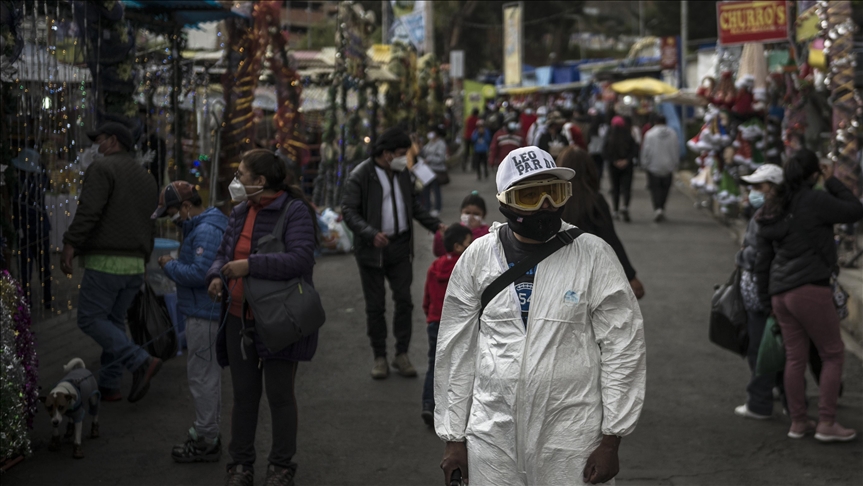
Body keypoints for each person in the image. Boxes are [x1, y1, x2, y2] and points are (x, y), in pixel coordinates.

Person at [435, 146, 646, 486]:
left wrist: (611, 438)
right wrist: (454, 437)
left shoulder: (594, 255)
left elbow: (624, 347)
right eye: (531, 196)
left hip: (573, 438)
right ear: (505, 200)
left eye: (555, 193)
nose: (546, 206)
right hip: (491, 436)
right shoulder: (478, 258)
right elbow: (455, 351)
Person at [205, 149, 319, 485]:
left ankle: (281, 466)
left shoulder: (295, 211)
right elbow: (222, 255)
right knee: (243, 396)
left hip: (279, 321)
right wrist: (215, 277)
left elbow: (300, 259)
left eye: (241, 175)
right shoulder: (240, 212)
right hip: (239, 318)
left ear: (261, 181)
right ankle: (240, 465)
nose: (236, 181)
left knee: (280, 396)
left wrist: (250, 265)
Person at [755, 149, 863, 442]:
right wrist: (833, 181)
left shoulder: (777, 204)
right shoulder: (815, 200)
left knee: (795, 357)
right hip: (809, 288)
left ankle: (799, 422)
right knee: (832, 353)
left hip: (780, 291)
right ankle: (827, 422)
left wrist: (767, 301)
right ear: (815, 173)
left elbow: (763, 256)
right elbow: (855, 209)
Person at [61, 122, 160, 404]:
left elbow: (89, 212)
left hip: (106, 262)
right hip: (134, 266)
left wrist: (70, 243)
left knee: (90, 318)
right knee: (114, 323)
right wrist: (144, 261)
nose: (97, 146)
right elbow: (150, 224)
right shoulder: (147, 178)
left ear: (114, 141)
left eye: (101, 140)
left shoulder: (102, 169)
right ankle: (110, 384)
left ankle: (140, 361)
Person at [341, 127, 445, 379]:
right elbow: (348, 211)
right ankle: (379, 357)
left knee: (404, 301)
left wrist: (437, 225)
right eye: (400, 153)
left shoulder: (401, 174)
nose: (403, 158)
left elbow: (414, 207)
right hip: (371, 250)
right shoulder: (360, 175)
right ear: (386, 153)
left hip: (400, 247)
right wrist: (369, 233)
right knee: (375, 307)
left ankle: (401, 354)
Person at [151, 181, 229, 463]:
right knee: (206, 375)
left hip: (204, 314)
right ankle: (208, 431)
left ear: (185, 207)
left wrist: (168, 265)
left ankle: (206, 438)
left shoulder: (206, 230)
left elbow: (200, 273)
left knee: (202, 376)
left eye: (171, 213)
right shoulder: (204, 226)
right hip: (204, 311)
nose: (171, 220)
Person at [558, 147, 645, 299]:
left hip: (557, 268)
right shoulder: (595, 200)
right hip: (589, 271)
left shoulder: (554, 200)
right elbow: (610, 240)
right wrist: (630, 276)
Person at [734, 164, 784, 421]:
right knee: (778, 345)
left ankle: (760, 401)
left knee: (761, 347)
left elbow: (756, 255)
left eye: (759, 186)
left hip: (761, 292)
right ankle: (780, 392)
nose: (753, 191)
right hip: (771, 289)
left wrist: (740, 254)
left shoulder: (765, 216)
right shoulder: (777, 211)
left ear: (774, 188)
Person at [421, 223, 473, 427]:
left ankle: (428, 404)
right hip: (457, 323)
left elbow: (427, 296)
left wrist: (430, 314)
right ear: (459, 246)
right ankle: (456, 409)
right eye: (469, 243)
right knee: (460, 365)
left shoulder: (435, 267)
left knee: (435, 364)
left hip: (435, 322)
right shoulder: (465, 266)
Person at [12, 146, 52, 310]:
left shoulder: (18, 184)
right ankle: (47, 299)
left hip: (25, 231)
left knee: (25, 269)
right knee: (44, 266)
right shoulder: (41, 180)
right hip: (41, 228)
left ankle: (26, 301)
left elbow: (16, 207)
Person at [640, 115, 680, 222]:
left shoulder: (649, 134)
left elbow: (646, 150)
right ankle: (662, 207)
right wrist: (675, 163)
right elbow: (676, 149)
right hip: (668, 166)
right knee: (665, 189)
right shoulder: (673, 134)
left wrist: (644, 163)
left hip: (653, 166)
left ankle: (657, 208)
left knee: (655, 189)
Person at [603, 116, 638, 223]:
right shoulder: (628, 135)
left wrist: (614, 161)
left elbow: (604, 152)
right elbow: (634, 150)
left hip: (613, 167)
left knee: (615, 188)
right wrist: (626, 160)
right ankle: (625, 206)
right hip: (627, 166)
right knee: (626, 188)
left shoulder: (609, 136)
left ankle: (615, 210)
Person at [432, 192, 490, 257]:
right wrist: (441, 237)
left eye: (476, 214)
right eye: (467, 213)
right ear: (461, 212)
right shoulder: (455, 230)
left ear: (483, 215)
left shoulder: (488, 232)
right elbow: (440, 253)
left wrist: (475, 230)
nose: (471, 217)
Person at [420, 125, 448, 217]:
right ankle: (427, 207)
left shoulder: (441, 144)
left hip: (437, 170)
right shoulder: (430, 143)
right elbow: (423, 151)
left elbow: (441, 158)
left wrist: (429, 159)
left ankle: (437, 208)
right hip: (427, 171)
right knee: (426, 190)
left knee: (436, 190)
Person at [587, 109, 609, 183]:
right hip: (601, 150)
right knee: (600, 167)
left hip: (592, 150)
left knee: (593, 167)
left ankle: (593, 181)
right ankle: (598, 181)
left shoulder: (591, 127)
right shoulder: (604, 127)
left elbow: (588, 139)